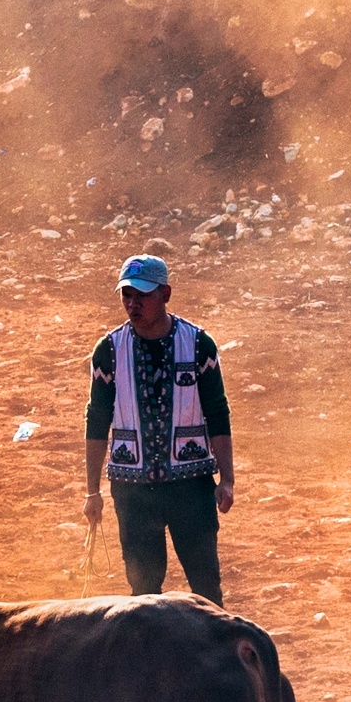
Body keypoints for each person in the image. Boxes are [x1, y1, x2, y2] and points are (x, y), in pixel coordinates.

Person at [82, 254, 232, 601]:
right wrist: (92, 492)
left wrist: (228, 479)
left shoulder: (199, 345)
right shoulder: (108, 351)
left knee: (206, 586)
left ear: (165, 294)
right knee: (144, 591)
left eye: (142, 296)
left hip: (191, 486)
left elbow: (217, 411)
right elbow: (97, 419)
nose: (132, 304)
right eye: (127, 295)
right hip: (133, 491)